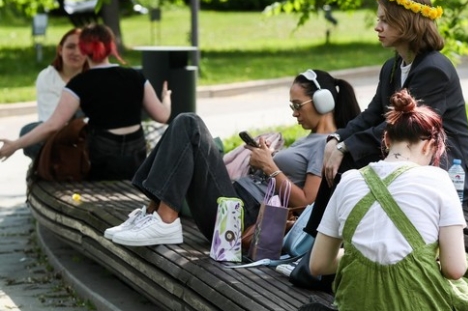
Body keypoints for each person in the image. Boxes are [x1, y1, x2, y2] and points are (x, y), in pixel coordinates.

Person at [298, 89, 468, 311]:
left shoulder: (349, 180)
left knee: (360, 263)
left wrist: (368, 251)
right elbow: (455, 270)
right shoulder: (439, 180)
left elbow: (318, 265)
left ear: (386, 140)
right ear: (430, 145)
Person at [303, 0, 468, 237]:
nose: (377, 27)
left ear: (407, 24)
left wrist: (346, 147)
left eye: (386, 21)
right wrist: (337, 138)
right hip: (406, 152)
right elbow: (372, 115)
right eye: (378, 19)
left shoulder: (434, 69)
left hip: (442, 164)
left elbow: (404, 126)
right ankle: (320, 245)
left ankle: (326, 248)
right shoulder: (392, 67)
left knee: (349, 161)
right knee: (344, 163)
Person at [105, 70, 361, 247]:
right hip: (234, 204)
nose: (294, 113)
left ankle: (165, 221)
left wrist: (270, 166)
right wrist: (266, 159)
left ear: (323, 102)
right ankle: (153, 213)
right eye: (291, 106)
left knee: (189, 123)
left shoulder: (326, 144)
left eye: (297, 105)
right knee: (184, 125)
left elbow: (308, 202)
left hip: (242, 217)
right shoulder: (309, 139)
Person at [0, 23, 172, 180]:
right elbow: (163, 116)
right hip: (135, 160)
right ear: (111, 46)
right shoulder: (136, 76)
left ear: (84, 49)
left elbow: (53, 125)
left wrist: (15, 145)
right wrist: (166, 98)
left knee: (34, 131)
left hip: (103, 162)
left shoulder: (79, 83)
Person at [18, 28, 89, 159]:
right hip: (55, 133)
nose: (77, 52)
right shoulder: (48, 77)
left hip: (86, 134)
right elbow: (52, 121)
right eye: (71, 47)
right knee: (27, 131)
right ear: (60, 50)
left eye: (82, 48)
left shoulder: (94, 77)